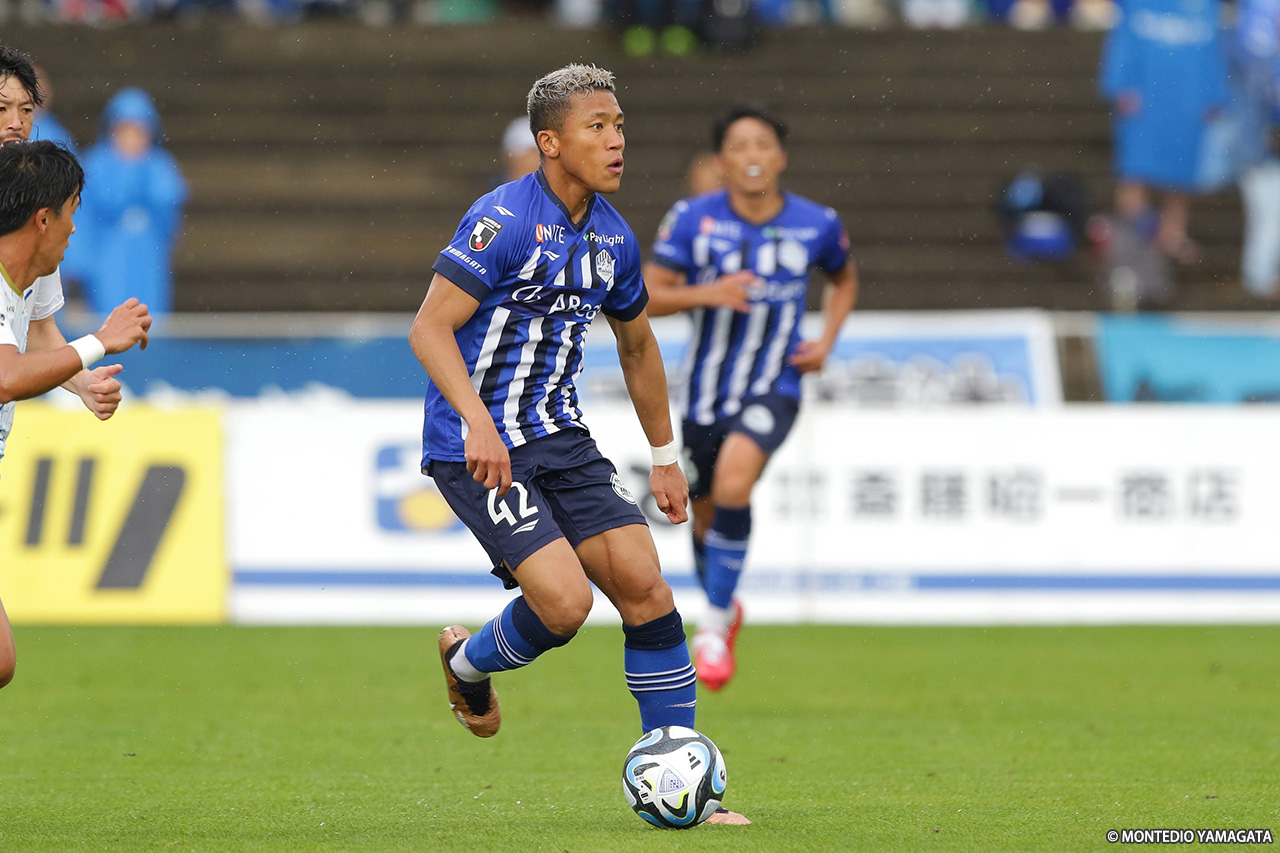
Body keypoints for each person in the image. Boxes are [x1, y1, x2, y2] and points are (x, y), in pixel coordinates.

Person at [408, 63, 747, 825]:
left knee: (647, 586)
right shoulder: (500, 219)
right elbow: (428, 328)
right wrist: (478, 421)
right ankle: (467, 664)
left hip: (561, 437)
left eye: (620, 125)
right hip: (476, 443)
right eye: (598, 127)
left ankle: (687, 780)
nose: (617, 141)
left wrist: (666, 455)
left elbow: (637, 345)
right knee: (564, 605)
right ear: (550, 142)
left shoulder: (613, 237)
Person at [643, 104, 858, 692]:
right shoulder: (693, 219)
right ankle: (724, 607)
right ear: (721, 161)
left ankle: (711, 625)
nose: (752, 156)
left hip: (775, 383)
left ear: (780, 157)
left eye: (762, 144)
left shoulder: (816, 222)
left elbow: (844, 278)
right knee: (704, 515)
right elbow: (647, 295)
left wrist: (827, 341)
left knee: (735, 481)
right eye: (738, 146)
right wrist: (708, 293)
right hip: (706, 394)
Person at [0, 140, 154, 689]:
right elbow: (5, 378)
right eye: (71, 213)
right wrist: (100, 341)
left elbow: (31, 346)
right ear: (43, 219)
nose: (74, 230)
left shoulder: (22, 284)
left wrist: (82, 380)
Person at [1099, 0, 1232, 265]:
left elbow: (1215, 51)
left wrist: (1215, 94)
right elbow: (1122, 41)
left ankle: (1172, 235)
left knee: (1181, 174)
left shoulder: (1205, 7)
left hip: (1187, 101)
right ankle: (1134, 239)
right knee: (1135, 171)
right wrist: (1119, 84)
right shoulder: (1137, 5)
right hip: (1145, 97)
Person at [71, 87, 187, 316]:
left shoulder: (159, 165)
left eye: (139, 131)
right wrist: (80, 263)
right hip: (107, 256)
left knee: (149, 312)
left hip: (148, 257)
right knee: (109, 312)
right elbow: (82, 217)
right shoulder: (96, 163)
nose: (132, 138)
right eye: (125, 130)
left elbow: (169, 213)